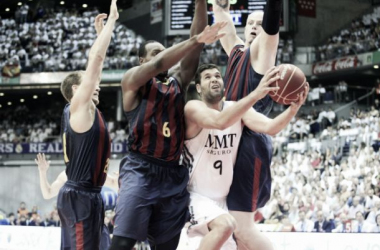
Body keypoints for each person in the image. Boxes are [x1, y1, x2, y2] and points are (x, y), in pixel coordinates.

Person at [110, 1, 226, 249]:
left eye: (164, 50)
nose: (162, 55)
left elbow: (194, 50)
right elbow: (158, 65)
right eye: (155, 51)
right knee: (121, 243)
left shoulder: (178, 82)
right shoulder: (132, 81)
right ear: (141, 59)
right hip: (140, 169)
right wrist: (194, 41)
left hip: (173, 174)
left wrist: (200, 4)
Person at [180, 64, 307, 249]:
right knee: (226, 225)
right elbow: (219, 122)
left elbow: (271, 128)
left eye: (217, 76)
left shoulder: (237, 109)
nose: (214, 79)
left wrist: (293, 109)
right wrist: (257, 93)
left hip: (223, 202)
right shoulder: (193, 108)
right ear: (198, 88)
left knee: (235, 237)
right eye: (207, 77)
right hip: (196, 196)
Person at [212, 0, 295, 249]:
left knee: (243, 230)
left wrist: (272, 9)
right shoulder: (237, 52)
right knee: (235, 232)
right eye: (250, 23)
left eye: (259, 24)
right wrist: (220, 4)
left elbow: (271, 26)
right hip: (231, 140)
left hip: (251, 141)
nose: (255, 27)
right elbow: (224, 24)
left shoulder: (263, 55)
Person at [57, 1, 117, 249]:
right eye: (90, 82)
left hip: (90, 195)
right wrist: (111, 23)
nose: (98, 84)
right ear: (76, 90)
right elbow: (96, 58)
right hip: (79, 197)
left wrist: (100, 34)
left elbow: (97, 68)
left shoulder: (90, 110)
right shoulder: (78, 108)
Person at [35, 153, 118, 250]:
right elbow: (47, 193)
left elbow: (114, 184)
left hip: (95, 224)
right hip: (75, 225)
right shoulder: (65, 175)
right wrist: (42, 172)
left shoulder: (94, 171)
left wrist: (120, 177)